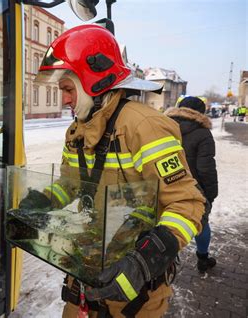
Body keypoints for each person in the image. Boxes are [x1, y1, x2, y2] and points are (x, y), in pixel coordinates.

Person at [20, 24, 205, 317]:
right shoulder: (77, 131)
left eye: (68, 89)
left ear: (94, 81)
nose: (65, 99)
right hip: (85, 276)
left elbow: (187, 203)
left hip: (134, 291)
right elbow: (71, 184)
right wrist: (42, 201)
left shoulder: (143, 126)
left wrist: (146, 259)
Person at [165, 96, 218, 273]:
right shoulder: (203, 133)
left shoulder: (164, 127)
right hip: (194, 187)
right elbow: (206, 167)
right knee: (201, 222)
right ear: (201, 113)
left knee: (165, 222)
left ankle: (161, 261)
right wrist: (211, 193)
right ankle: (203, 259)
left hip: (166, 183)